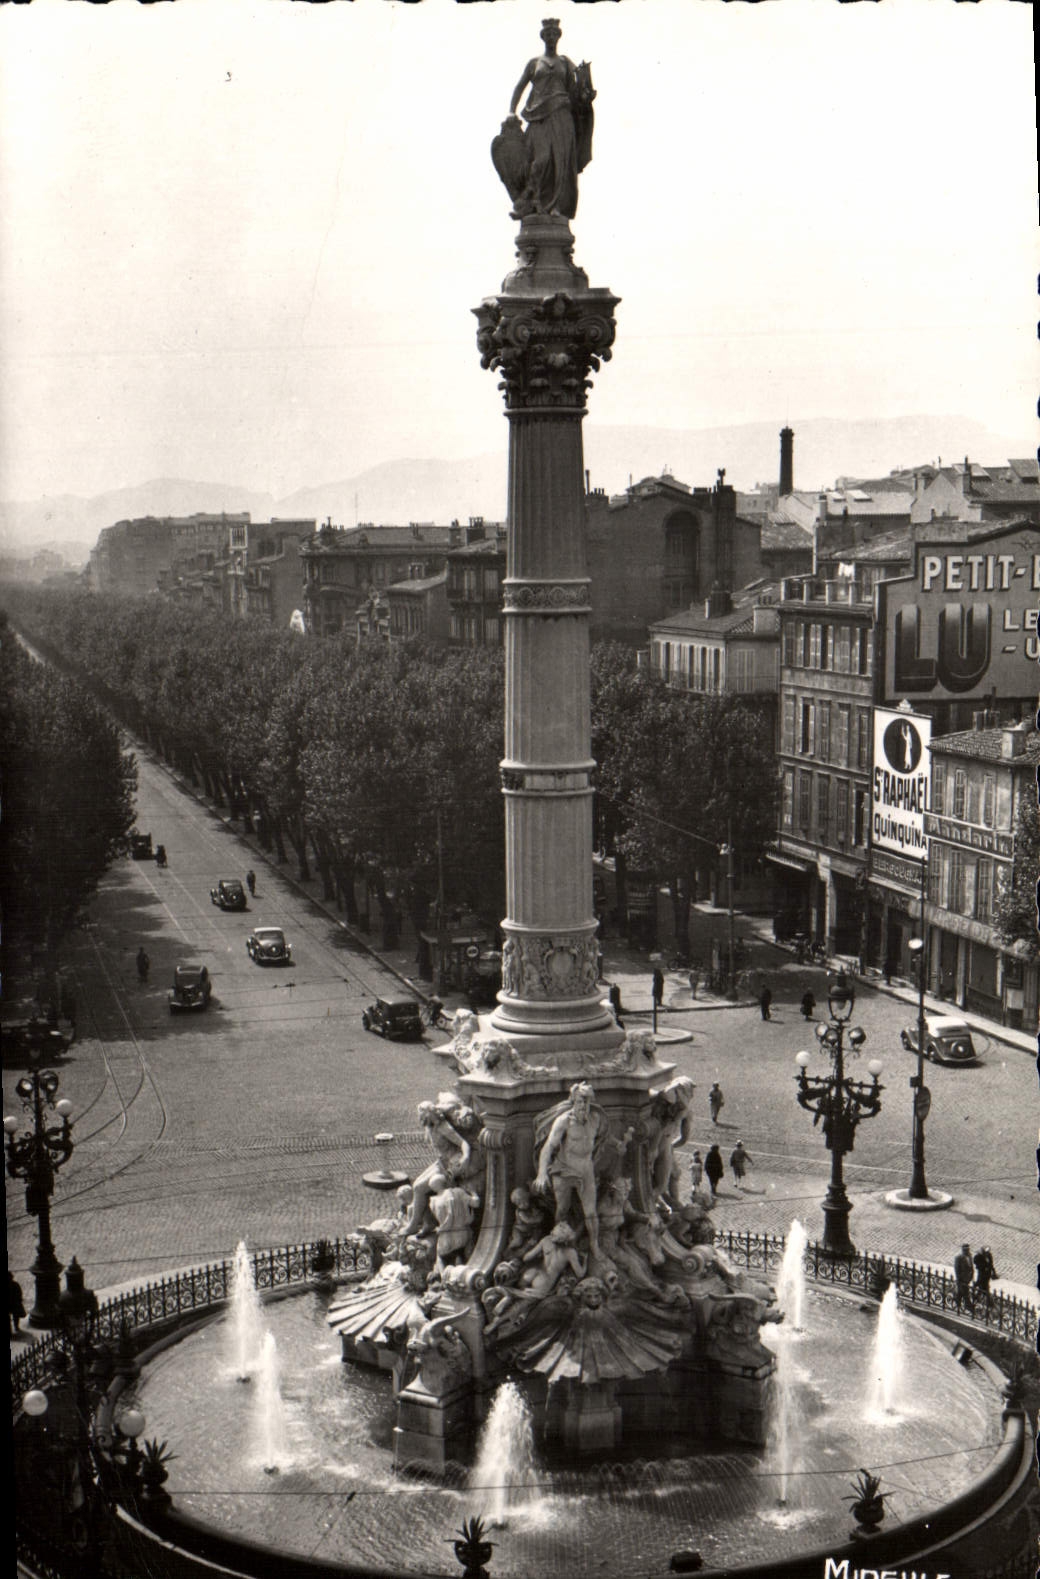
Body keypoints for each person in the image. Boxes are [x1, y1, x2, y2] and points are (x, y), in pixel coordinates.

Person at [501, 18, 595, 221]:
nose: (551, 38)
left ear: (558, 37)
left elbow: (577, 92)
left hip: (562, 118)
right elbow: (520, 87)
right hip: (538, 118)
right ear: (543, 37)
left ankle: (555, 208)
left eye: (554, 34)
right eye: (548, 34)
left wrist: (586, 96)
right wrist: (511, 111)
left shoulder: (565, 63)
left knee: (560, 163)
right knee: (540, 161)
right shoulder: (535, 63)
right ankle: (531, 204)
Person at [534, 1081, 606, 1258]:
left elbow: (604, 1138)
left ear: (591, 1102)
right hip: (564, 1170)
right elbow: (548, 1147)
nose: (583, 1106)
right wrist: (542, 1173)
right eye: (580, 1102)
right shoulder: (564, 1121)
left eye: (586, 1102)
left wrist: (618, 1145)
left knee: (591, 1212)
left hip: (586, 1170)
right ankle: (559, 1242)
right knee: (562, 1209)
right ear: (573, 1102)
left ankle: (594, 1245)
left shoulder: (596, 1120)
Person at [953, 1243, 974, 1312]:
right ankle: (968, 1306)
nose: (967, 1251)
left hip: (968, 1278)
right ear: (963, 1250)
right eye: (965, 1250)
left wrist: (971, 1276)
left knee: (961, 1292)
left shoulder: (970, 1256)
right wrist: (959, 1278)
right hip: (962, 1278)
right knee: (965, 1292)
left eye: (968, 1249)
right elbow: (957, 1268)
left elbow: (971, 1267)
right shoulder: (959, 1257)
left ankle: (957, 1301)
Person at [9, 1270, 26, 1336]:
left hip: (13, 1304)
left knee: (15, 1316)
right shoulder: (15, 1284)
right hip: (14, 1304)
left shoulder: (15, 1284)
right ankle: (16, 1327)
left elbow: (19, 1293)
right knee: (16, 1316)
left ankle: (11, 1331)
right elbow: (19, 1293)